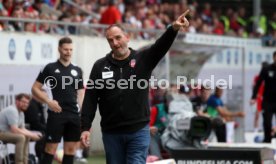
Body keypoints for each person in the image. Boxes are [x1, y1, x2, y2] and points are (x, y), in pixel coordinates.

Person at [80, 10, 190, 164]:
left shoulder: (143, 59)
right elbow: (90, 98)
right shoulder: (100, 66)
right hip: (111, 132)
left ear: (127, 37)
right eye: (110, 40)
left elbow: (160, 46)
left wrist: (173, 29)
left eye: (118, 38)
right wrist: (85, 127)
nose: (115, 43)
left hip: (138, 131)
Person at [31, 37, 85, 164]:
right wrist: (48, 101)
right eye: (66, 49)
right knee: (50, 149)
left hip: (73, 115)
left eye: (71, 49)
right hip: (56, 114)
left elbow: (81, 92)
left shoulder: (77, 70)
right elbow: (35, 89)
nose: (68, 52)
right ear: (59, 49)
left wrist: (82, 112)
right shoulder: (49, 67)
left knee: (71, 149)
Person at [0, 93, 42, 164]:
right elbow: (15, 129)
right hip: (1, 133)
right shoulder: (12, 110)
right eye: (23, 102)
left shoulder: (21, 113)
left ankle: (25, 162)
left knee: (26, 136)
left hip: (7, 133)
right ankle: (19, 162)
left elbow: (23, 129)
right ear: (17, 101)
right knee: (21, 138)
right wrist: (32, 135)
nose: (25, 104)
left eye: (27, 103)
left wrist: (33, 134)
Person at [251, 51, 276, 143]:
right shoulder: (266, 69)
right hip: (268, 101)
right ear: (273, 58)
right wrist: (253, 97)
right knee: (267, 122)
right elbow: (258, 83)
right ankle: (267, 140)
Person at [24, 95, 47, 163]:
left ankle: (44, 157)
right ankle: (40, 158)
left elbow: (42, 122)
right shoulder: (32, 105)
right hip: (28, 129)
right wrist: (47, 129)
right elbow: (34, 123)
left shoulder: (40, 105)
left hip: (33, 129)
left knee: (47, 134)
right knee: (42, 135)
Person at [252, 62, 268, 132]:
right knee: (257, 114)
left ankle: (266, 129)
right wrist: (254, 96)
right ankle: (256, 129)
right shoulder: (257, 77)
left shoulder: (268, 77)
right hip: (258, 98)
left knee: (267, 115)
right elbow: (254, 87)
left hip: (265, 98)